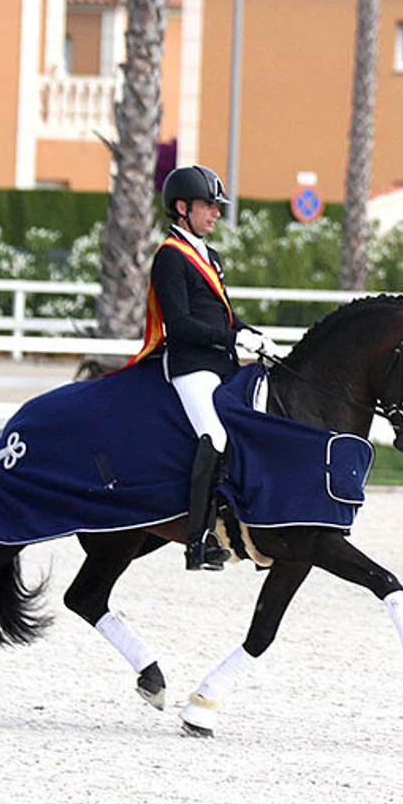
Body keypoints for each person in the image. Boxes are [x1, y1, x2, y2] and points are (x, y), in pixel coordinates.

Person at [125, 164, 278, 571]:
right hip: (191, 365)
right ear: (181, 208)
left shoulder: (209, 255)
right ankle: (198, 540)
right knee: (215, 435)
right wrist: (232, 339)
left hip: (221, 361)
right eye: (208, 206)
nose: (215, 213)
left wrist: (253, 335)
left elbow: (222, 315)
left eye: (215, 206)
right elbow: (181, 324)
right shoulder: (171, 258)